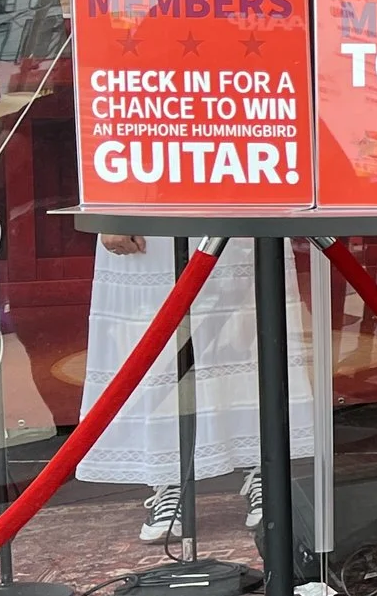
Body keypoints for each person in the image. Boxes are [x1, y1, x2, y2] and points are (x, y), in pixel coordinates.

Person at [78, 232, 316, 541]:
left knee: (251, 327)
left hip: (240, 195)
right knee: (152, 332)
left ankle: (264, 470)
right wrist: (109, 214)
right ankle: (169, 476)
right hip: (148, 200)